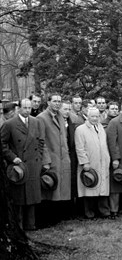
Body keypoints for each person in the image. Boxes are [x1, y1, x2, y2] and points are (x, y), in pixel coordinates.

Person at [1, 99, 46, 230]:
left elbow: (41, 141)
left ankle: (31, 225)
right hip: (18, 166)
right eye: (25, 108)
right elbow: (2, 144)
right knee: (19, 198)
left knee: (32, 196)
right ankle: (18, 226)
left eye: (29, 108)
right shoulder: (10, 124)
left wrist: (38, 156)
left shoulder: (36, 122)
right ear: (19, 108)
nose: (27, 110)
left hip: (33, 163)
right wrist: (12, 158)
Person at [37, 94, 71, 222]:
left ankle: (59, 216)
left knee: (61, 189)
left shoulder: (61, 117)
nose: (57, 103)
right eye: (55, 101)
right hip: (51, 158)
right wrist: (46, 160)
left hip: (63, 158)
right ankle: (46, 218)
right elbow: (41, 141)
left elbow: (64, 138)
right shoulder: (41, 118)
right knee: (49, 188)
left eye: (59, 101)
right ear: (48, 102)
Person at [75, 108, 111, 219]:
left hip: (102, 162)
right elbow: (80, 148)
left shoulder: (101, 128)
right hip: (89, 163)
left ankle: (104, 212)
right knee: (90, 187)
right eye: (92, 116)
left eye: (97, 116)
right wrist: (84, 162)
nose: (95, 118)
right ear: (87, 117)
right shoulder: (80, 129)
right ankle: (89, 213)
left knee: (102, 188)